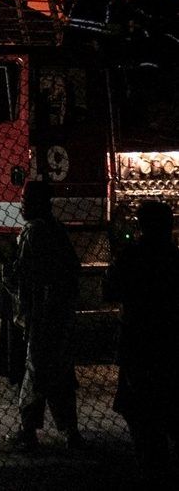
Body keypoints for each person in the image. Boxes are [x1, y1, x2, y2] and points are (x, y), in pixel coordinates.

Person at [0, 178, 83, 451]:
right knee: (60, 374)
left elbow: (20, 277)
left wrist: (1, 264)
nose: (21, 205)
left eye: (24, 200)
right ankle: (70, 432)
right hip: (59, 313)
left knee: (34, 372)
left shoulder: (32, 232)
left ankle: (28, 431)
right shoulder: (57, 230)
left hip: (39, 316)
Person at [104, 200, 179, 487]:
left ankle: (152, 469)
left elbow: (109, 289)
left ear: (141, 226)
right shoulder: (174, 257)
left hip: (138, 342)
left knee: (140, 411)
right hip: (169, 342)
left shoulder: (131, 257)